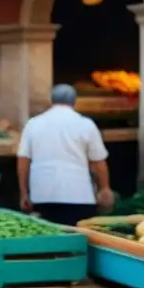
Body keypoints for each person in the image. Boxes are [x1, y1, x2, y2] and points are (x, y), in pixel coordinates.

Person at [18, 84, 113, 226]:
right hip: (79, 196)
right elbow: (98, 161)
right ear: (74, 101)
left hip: (43, 195)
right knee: (77, 241)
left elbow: (23, 160)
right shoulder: (86, 124)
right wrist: (104, 188)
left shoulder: (33, 124)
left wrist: (24, 193)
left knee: (48, 240)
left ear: (51, 100)